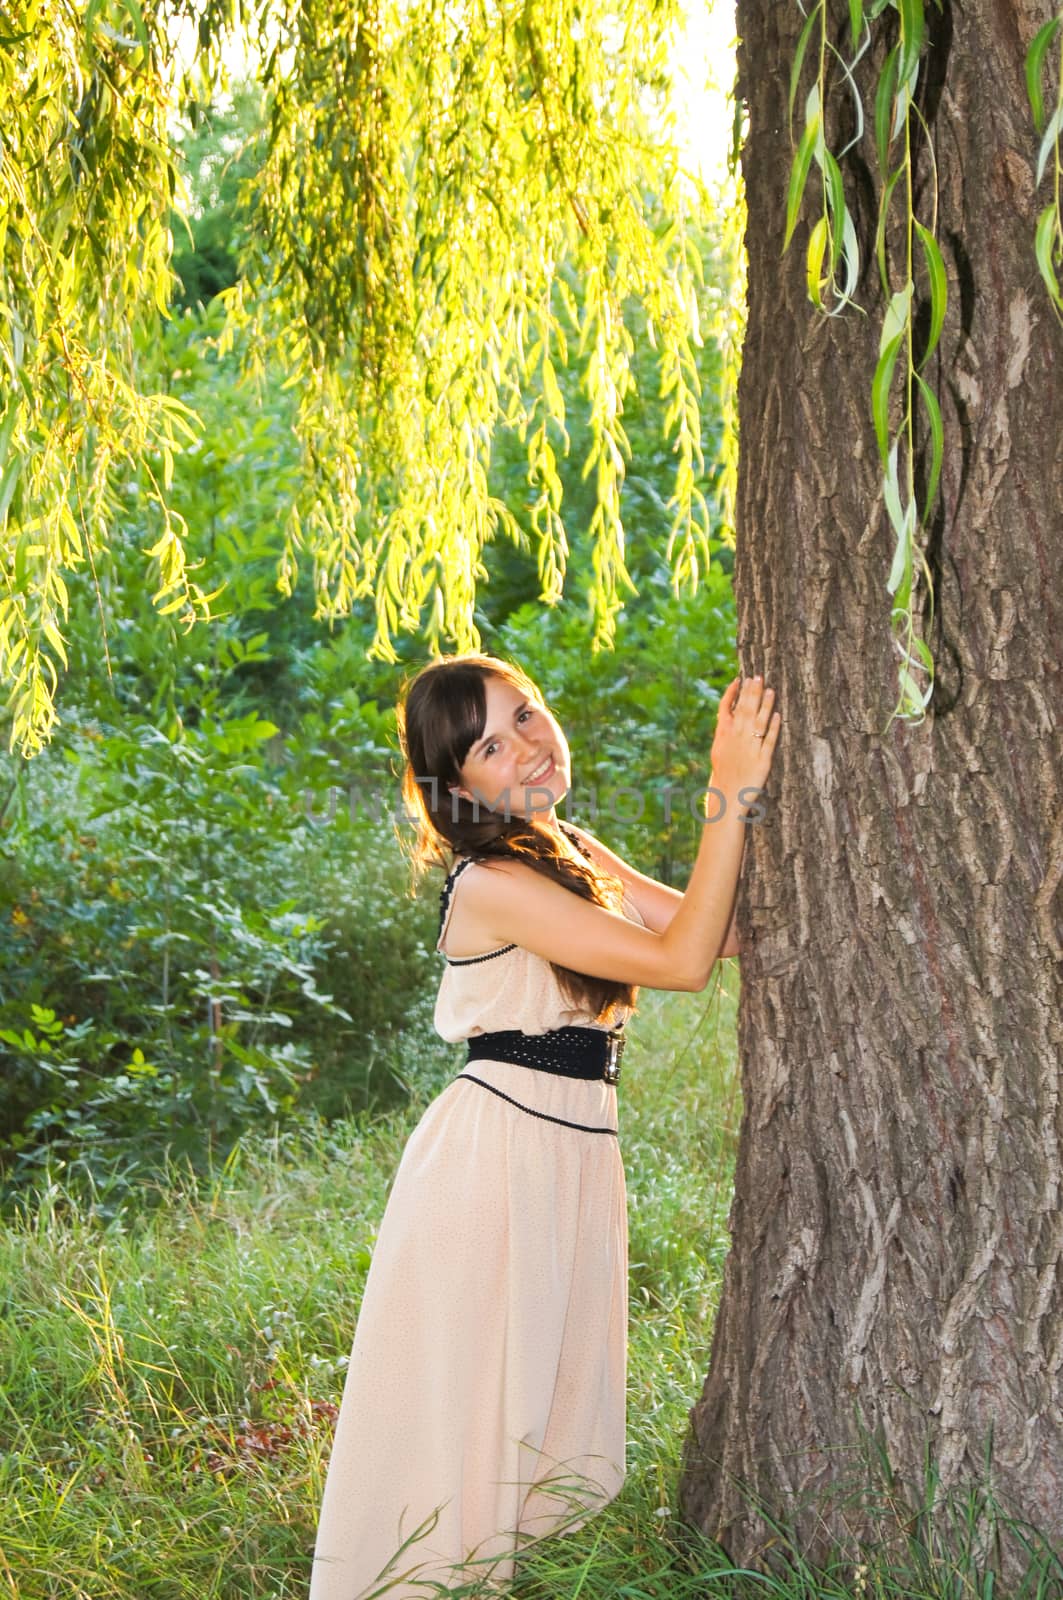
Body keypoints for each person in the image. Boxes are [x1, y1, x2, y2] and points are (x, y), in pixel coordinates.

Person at [309, 653, 781, 1599]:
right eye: (491, 744)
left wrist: (744, 811)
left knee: (524, 1408)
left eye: (525, 715)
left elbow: (715, 930)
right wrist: (726, 792)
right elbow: (683, 965)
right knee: (467, 1413)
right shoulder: (489, 880)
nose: (527, 746)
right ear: (458, 785)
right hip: (495, 1161)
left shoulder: (561, 846)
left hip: (564, 1148)